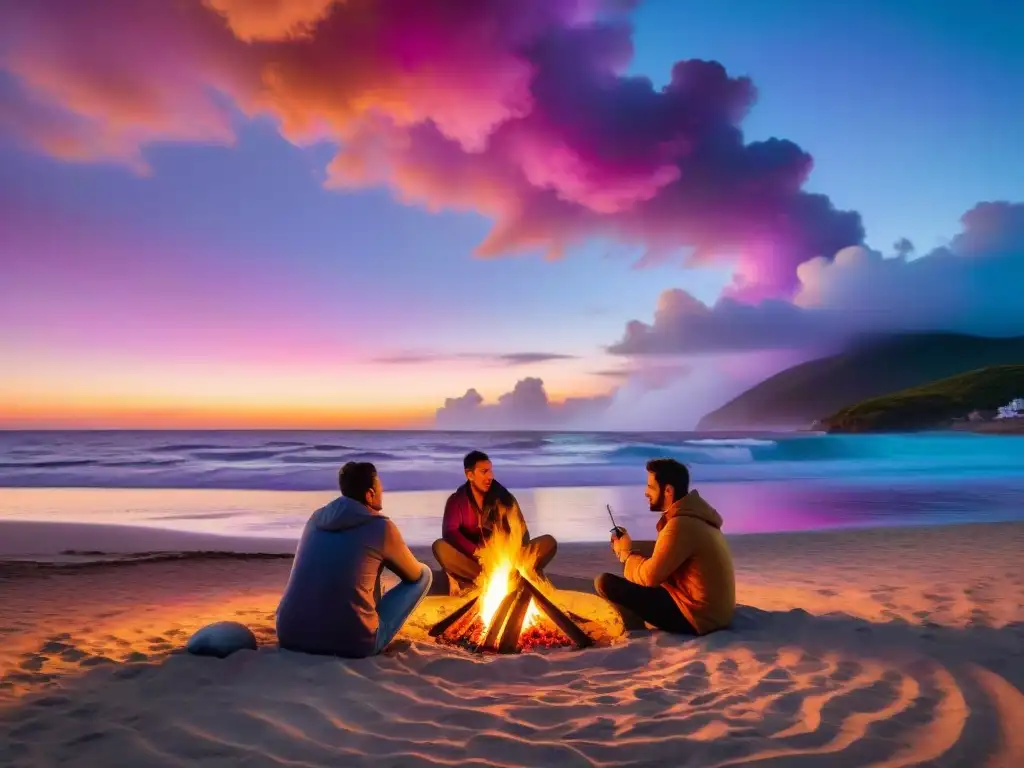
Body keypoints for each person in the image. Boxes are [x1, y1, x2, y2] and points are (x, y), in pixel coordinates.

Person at [276, 461, 432, 658]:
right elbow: (413, 575)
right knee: (424, 575)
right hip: (352, 643)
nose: (383, 489)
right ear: (369, 494)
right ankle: (366, 625)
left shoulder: (316, 519)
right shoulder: (382, 527)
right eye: (379, 485)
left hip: (290, 634)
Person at [595, 458, 735, 635]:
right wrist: (629, 546)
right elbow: (666, 551)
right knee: (641, 573)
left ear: (668, 490)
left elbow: (650, 576)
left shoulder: (680, 525)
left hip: (696, 617)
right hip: (714, 614)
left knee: (605, 582)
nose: (646, 493)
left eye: (651, 487)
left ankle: (634, 631)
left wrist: (626, 555)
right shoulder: (695, 519)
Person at [432, 450, 557, 594]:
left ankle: (503, 578)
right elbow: (450, 532)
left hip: (508, 561)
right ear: (470, 475)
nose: (490, 476)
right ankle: (501, 579)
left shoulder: (505, 498)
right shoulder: (457, 500)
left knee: (548, 542)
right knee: (439, 547)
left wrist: (507, 553)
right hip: (476, 564)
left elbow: (523, 535)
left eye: (490, 471)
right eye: (484, 472)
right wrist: (479, 553)